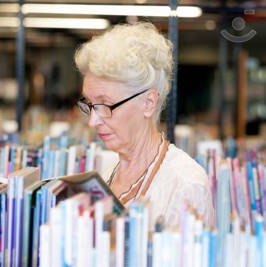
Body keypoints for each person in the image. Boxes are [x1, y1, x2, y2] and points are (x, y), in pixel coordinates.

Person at [74, 22, 215, 229]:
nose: (92, 121)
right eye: (90, 104)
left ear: (148, 103)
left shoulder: (185, 185)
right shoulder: (106, 169)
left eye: (105, 105)